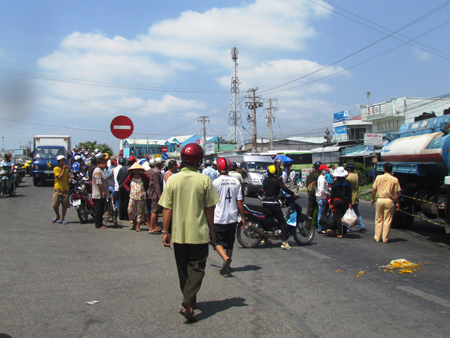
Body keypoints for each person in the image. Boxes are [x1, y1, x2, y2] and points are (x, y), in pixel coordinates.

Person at [160, 143, 219, 322]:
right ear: (199, 160)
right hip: (198, 234)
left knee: (183, 270)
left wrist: (165, 231)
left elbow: (167, 209)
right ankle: (188, 301)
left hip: (179, 234)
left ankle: (190, 303)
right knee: (198, 268)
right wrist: (213, 232)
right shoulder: (204, 180)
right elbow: (210, 209)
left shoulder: (173, 180)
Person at [212, 157, 245, 275]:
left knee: (216, 241)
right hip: (232, 217)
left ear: (218, 167)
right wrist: (242, 217)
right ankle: (228, 265)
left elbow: (211, 202)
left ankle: (225, 259)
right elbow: (240, 201)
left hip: (219, 217)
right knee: (230, 242)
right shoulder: (236, 181)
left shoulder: (215, 182)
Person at [262, 165, 298, 249]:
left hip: (265, 202)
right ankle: (284, 242)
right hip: (274, 203)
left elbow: (263, 190)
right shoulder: (278, 180)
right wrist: (293, 194)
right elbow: (285, 188)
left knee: (268, 220)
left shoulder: (265, 180)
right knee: (282, 222)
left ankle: (265, 238)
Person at [371, 162, 400, 243]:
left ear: (384, 169)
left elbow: (374, 189)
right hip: (389, 200)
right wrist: (397, 202)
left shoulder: (378, 177)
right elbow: (396, 193)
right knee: (387, 220)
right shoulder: (394, 179)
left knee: (378, 219)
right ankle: (385, 238)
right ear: (391, 170)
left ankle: (377, 237)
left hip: (380, 200)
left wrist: (372, 198)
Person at [123, 162, 150, 232]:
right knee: (130, 211)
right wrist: (128, 189)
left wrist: (147, 189)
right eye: (134, 170)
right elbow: (125, 183)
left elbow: (149, 182)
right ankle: (134, 222)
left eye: (137, 169)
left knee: (140, 212)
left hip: (141, 196)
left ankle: (138, 225)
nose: (135, 171)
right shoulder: (130, 177)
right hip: (132, 196)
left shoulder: (144, 176)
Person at [330, 166, 352, 238]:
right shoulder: (347, 182)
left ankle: (339, 233)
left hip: (337, 201)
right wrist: (350, 202)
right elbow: (349, 193)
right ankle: (345, 232)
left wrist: (331, 202)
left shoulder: (335, 183)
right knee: (344, 217)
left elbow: (332, 194)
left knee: (338, 217)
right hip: (345, 201)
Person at [345, 162, 366, 232]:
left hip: (351, 197)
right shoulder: (356, 175)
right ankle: (361, 225)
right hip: (356, 196)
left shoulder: (348, 178)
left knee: (349, 212)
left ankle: (349, 228)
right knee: (356, 212)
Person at [52, 155, 70, 224]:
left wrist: (70, 178)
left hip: (65, 188)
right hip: (58, 188)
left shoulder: (66, 169)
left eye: (63, 161)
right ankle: (57, 215)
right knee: (55, 204)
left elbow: (67, 177)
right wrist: (63, 169)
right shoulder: (56, 169)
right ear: (58, 162)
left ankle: (63, 218)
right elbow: (59, 177)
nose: (63, 162)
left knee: (65, 205)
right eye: (61, 161)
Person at [92, 157, 109, 229]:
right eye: (103, 164)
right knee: (98, 209)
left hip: (101, 194)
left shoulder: (101, 171)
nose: (104, 165)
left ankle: (100, 222)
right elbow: (99, 183)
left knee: (101, 209)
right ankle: (98, 224)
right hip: (98, 194)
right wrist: (103, 192)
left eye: (105, 164)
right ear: (98, 164)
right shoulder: (97, 171)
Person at [148, 157, 164, 234]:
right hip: (155, 194)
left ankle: (156, 226)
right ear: (158, 164)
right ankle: (151, 227)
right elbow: (157, 185)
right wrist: (160, 196)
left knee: (157, 211)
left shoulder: (156, 171)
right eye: (162, 163)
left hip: (155, 193)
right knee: (155, 210)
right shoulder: (156, 172)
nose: (163, 165)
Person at [305, 162, 322, 227]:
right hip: (316, 194)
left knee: (310, 209)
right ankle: (315, 223)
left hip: (310, 193)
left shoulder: (311, 174)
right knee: (317, 209)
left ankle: (307, 224)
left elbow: (307, 183)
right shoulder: (318, 175)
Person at [316, 164, 330, 234]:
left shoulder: (322, 177)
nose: (326, 171)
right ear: (322, 170)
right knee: (321, 214)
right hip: (322, 197)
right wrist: (327, 193)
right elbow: (321, 190)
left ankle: (321, 227)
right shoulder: (321, 179)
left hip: (321, 197)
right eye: (325, 170)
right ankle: (320, 228)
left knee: (321, 213)